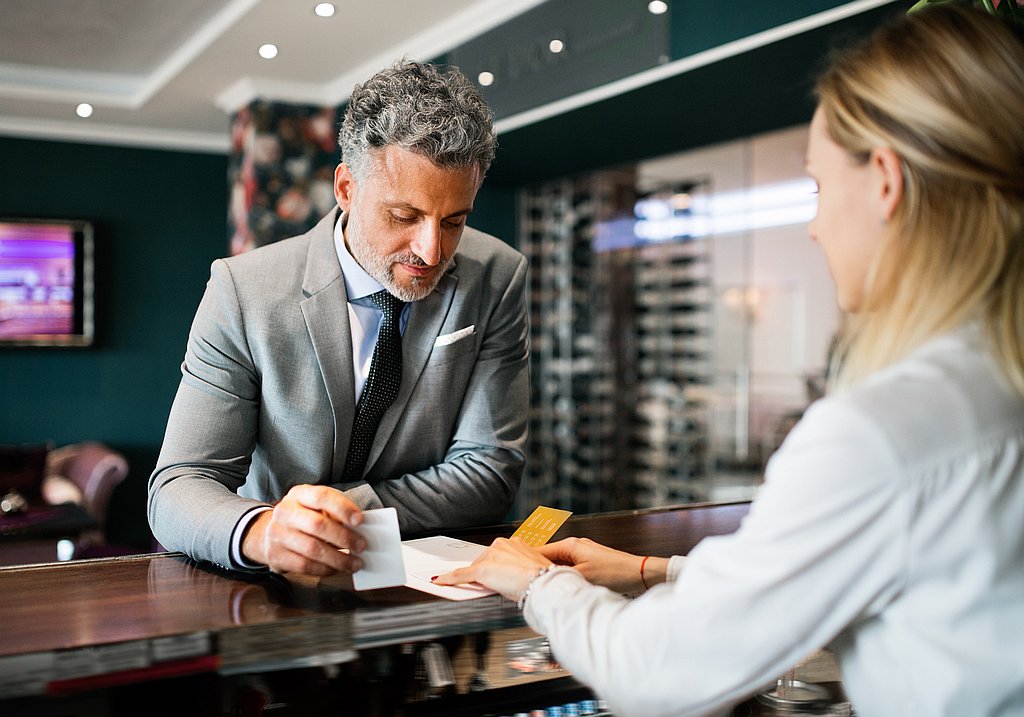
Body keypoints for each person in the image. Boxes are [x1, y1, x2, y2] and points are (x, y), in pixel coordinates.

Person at [436, 6, 1024, 715]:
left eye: (816, 186)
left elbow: (656, 675)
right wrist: (653, 568)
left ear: (886, 183)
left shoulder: (882, 430)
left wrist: (536, 584)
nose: (812, 226)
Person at [149, 60, 529, 577]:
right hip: (273, 585)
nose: (432, 250)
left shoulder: (498, 276)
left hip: (432, 589)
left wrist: (338, 516)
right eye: (404, 216)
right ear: (346, 188)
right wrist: (262, 530)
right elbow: (178, 487)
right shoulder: (242, 291)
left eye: (455, 221)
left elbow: (490, 472)